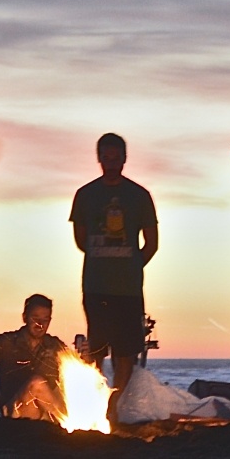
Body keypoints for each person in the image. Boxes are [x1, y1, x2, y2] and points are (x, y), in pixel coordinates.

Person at [70, 133, 158, 416]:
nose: (110, 163)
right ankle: (97, 403)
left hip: (128, 289)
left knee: (126, 352)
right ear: (99, 159)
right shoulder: (85, 195)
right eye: (105, 158)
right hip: (96, 286)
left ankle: (116, 407)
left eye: (116, 158)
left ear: (124, 158)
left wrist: (132, 264)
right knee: (97, 350)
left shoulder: (139, 196)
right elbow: (81, 239)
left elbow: (152, 242)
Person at [0, 294, 66, 420]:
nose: (40, 324)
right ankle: (70, 422)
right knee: (37, 383)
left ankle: (68, 421)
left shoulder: (55, 345)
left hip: (47, 413)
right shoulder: (7, 342)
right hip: (18, 411)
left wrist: (85, 354)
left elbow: (78, 371)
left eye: (45, 319)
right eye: (35, 318)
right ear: (25, 317)